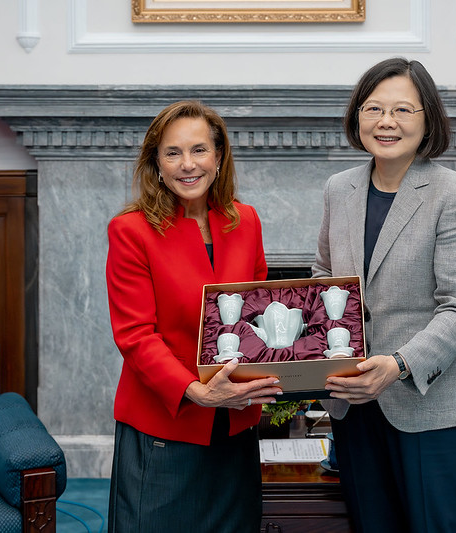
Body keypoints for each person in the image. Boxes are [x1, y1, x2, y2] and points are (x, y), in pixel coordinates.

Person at [313, 57, 456, 532]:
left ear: (427, 118)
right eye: (373, 108)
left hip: (431, 406)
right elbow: (326, 274)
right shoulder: (339, 188)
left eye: (403, 110)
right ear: (357, 117)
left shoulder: (454, 194)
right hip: (355, 405)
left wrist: (397, 365)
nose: (386, 121)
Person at [105, 100, 282, 533]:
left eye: (199, 150)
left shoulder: (247, 221)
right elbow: (135, 335)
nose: (188, 164)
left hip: (235, 423)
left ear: (218, 158)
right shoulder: (131, 230)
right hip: (167, 426)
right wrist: (193, 391)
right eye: (172, 153)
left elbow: (256, 317)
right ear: (157, 164)